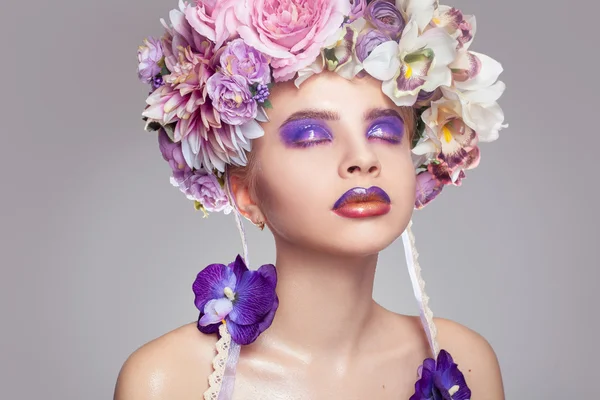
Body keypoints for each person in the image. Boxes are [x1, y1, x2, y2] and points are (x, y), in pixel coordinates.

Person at [116, 0, 507, 398]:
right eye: (311, 136)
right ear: (245, 193)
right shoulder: (165, 381)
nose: (363, 159)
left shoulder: (468, 361)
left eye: (385, 132)